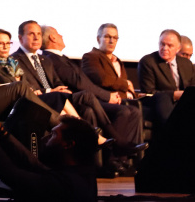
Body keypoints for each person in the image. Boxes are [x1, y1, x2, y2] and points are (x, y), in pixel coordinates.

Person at [13, 21, 140, 154]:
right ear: (20, 38)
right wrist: (51, 90)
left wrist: (59, 88)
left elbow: (57, 82)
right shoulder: (15, 60)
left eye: (38, 34)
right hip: (41, 100)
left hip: (61, 97)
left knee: (123, 107)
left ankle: (110, 140)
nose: (36, 37)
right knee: (87, 95)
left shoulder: (45, 60)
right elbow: (24, 87)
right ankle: (112, 139)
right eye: (31, 34)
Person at [40, 25, 144, 165]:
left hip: (86, 97)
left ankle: (126, 159)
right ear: (52, 37)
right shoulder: (50, 58)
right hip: (77, 99)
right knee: (123, 111)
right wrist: (108, 96)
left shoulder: (61, 57)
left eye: (115, 38)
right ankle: (115, 153)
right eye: (59, 34)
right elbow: (79, 82)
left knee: (133, 110)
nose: (61, 36)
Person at [0, 104, 98, 202]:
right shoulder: (80, 174)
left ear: (68, 144)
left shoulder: (68, 185)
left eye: (54, 135)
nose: (47, 138)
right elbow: (34, 164)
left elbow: (13, 176)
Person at [137, 29, 195, 126]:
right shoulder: (148, 62)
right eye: (162, 44)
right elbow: (148, 92)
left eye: (170, 45)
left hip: (184, 103)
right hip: (160, 104)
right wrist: (174, 95)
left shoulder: (186, 63)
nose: (165, 48)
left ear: (178, 48)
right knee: (164, 99)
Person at [80, 23, 136, 100]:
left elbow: (125, 89)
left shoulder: (118, 61)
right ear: (98, 39)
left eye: (115, 38)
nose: (111, 41)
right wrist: (126, 84)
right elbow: (102, 79)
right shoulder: (90, 56)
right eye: (107, 37)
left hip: (123, 102)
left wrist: (130, 94)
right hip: (103, 102)